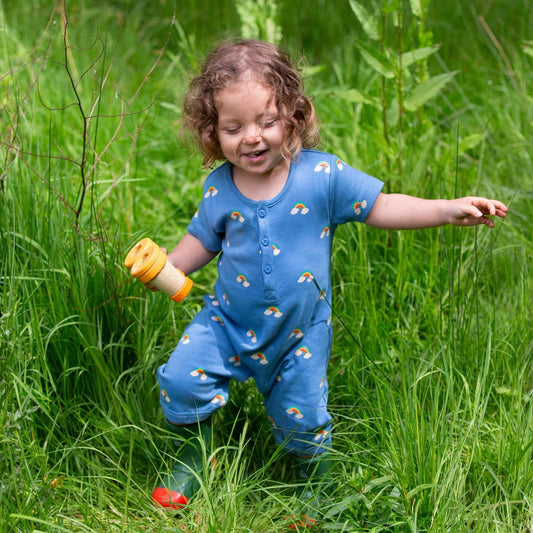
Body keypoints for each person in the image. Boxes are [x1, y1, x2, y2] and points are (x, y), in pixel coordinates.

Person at [149, 39, 508, 522]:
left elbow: (382, 206)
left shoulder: (321, 176)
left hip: (299, 333)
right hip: (228, 322)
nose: (251, 138)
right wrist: (165, 267)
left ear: (294, 116)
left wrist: (447, 210)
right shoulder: (220, 187)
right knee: (179, 377)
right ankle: (196, 455)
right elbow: (200, 244)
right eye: (233, 128)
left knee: (302, 417)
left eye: (267, 122)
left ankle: (317, 482)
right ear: (213, 132)